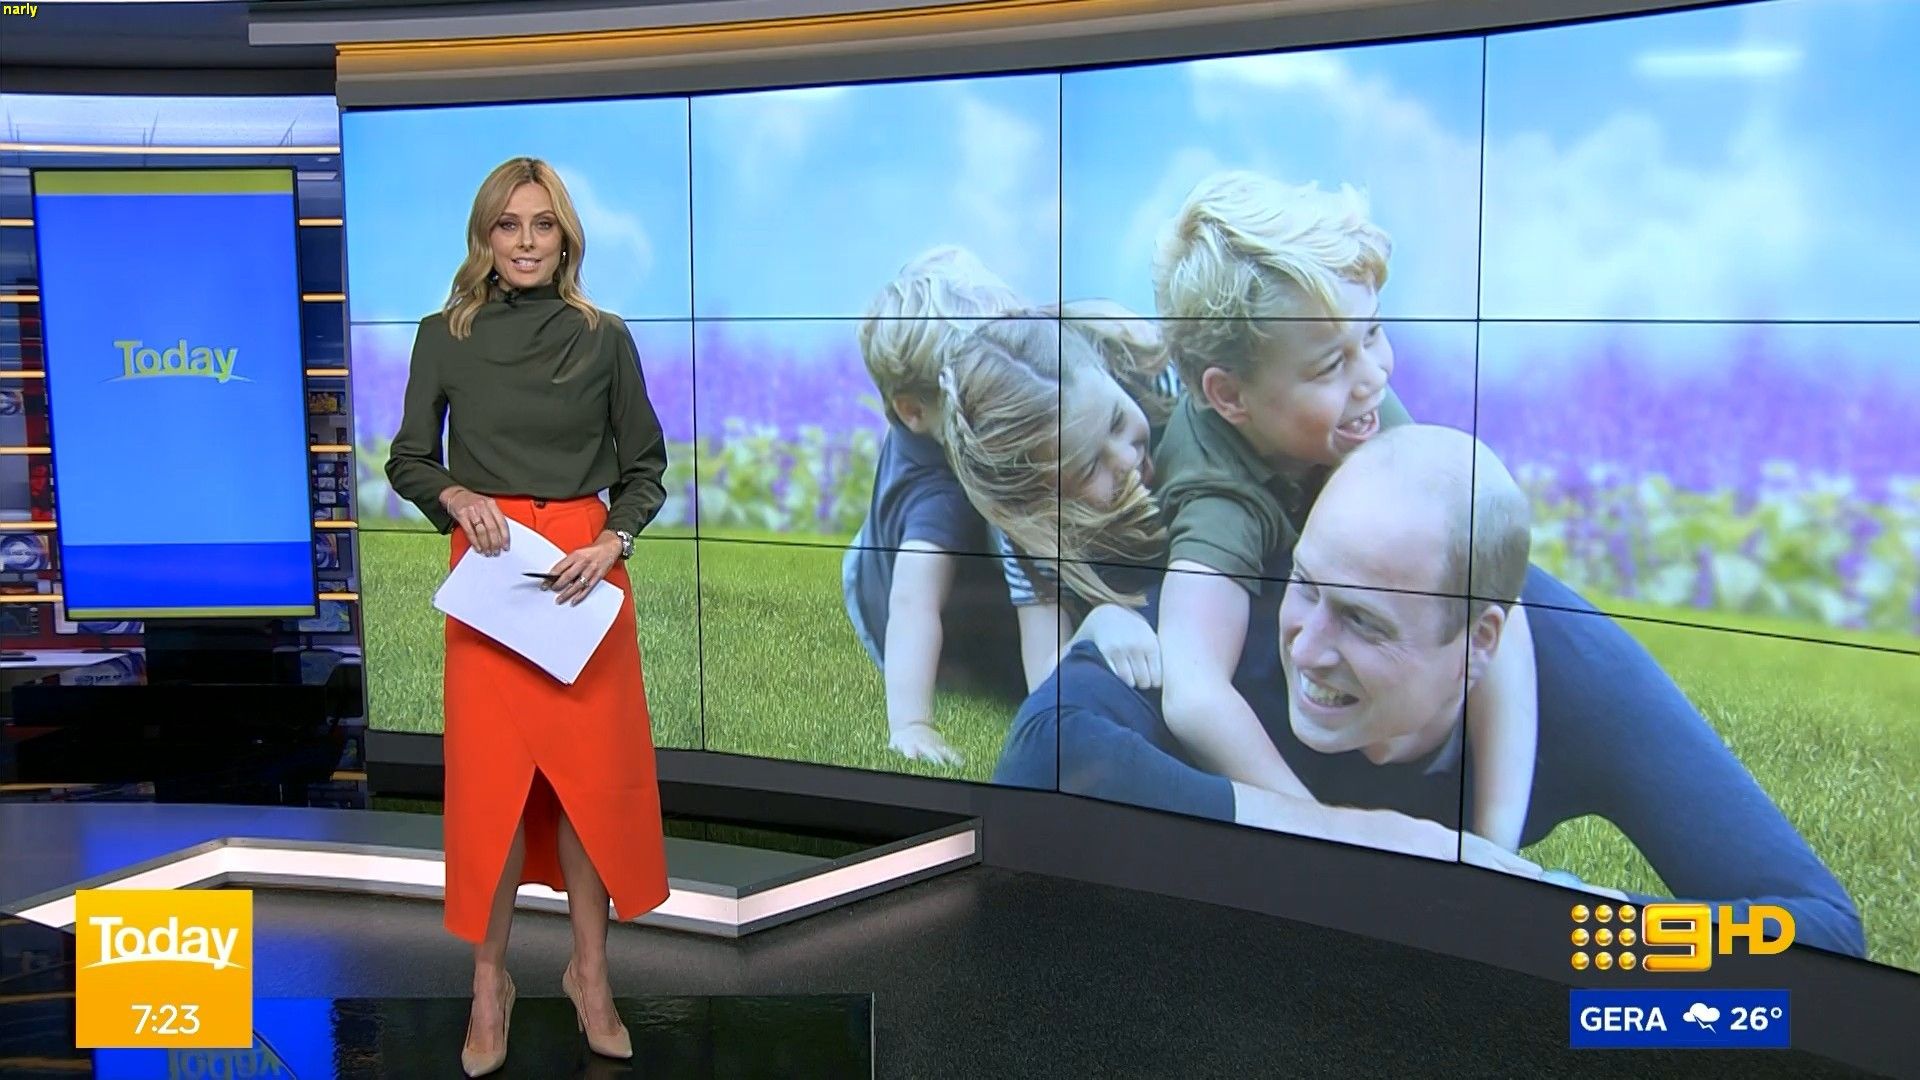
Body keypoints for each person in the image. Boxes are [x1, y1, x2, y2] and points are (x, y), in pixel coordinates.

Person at [995, 424, 1865, 958]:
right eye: (1308, 588)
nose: (1309, 647)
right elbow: (1044, 762)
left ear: (1480, 643)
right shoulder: (1240, 604)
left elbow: (1820, 932)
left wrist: (1573, 939)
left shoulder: (1576, 671)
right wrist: (1387, 848)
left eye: (1364, 623)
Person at [1149, 169, 1540, 847]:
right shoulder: (1220, 493)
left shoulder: (1359, 409)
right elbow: (1192, 690)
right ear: (1231, 396)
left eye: (1374, 332)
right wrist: (1327, 831)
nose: (1374, 374)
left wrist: (1493, 844)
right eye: (1331, 365)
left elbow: (1488, 585)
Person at [386, 157, 670, 1075]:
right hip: (492, 572)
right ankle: (489, 984)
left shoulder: (605, 338)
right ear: (484, 236)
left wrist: (615, 540)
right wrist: (456, 494)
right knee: (494, 791)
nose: (526, 241)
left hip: (585, 571)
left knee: (590, 790)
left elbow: (646, 470)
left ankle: (590, 975)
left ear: (565, 238)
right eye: (508, 225)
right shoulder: (443, 336)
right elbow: (408, 458)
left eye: (543, 225)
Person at [841, 246, 1030, 768]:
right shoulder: (938, 495)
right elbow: (911, 606)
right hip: (888, 607)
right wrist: (912, 723)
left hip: (868, 561)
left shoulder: (927, 422)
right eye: (983, 392)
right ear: (914, 410)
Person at [939, 314, 1166, 691]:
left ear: (1105, 370)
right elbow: (1042, 683)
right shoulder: (1032, 541)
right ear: (1042, 504)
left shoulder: (1164, 384)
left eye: (1115, 421)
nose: (1127, 458)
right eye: (1090, 468)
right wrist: (1097, 625)